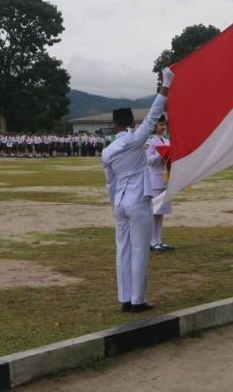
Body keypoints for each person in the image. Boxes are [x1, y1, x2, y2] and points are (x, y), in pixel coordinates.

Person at [102, 68, 173, 313]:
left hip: (120, 203)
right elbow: (154, 115)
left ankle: (125, 298)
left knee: (123, 250)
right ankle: (138, 300)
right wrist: (166, 85)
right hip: (137, 201)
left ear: (114, 125)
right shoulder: (134, 140)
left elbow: (110, 183)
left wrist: (114, 205)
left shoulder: (108, 151)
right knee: (141, 250)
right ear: (132, 123)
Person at [146, 114, 173, 251]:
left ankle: (159, 241)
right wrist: (160, 154)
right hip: (155, 179)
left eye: (164, 124)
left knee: (161, 212)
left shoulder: (167, 141)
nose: (163, 127)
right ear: (154, 127)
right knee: (154, 212)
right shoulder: (150, 141)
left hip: (165, 179)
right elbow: (148, 161)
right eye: (160, 125)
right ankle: (152, 242)